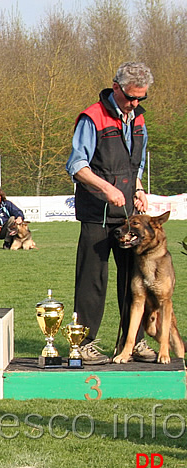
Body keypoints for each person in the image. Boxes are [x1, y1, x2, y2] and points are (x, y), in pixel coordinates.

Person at [66, 61, 156, 365]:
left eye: (140, 99)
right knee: (93, 281)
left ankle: (133, 342)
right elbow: (77, 165)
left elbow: (135, 165)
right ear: (116, 87)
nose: (134, 104)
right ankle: (84, 343)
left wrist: (139, 189)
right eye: (130, 97)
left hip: (128, 217)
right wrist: (106, 189)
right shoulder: (93, 117)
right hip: (97, 214)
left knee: (135, 282)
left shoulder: (139, 120)